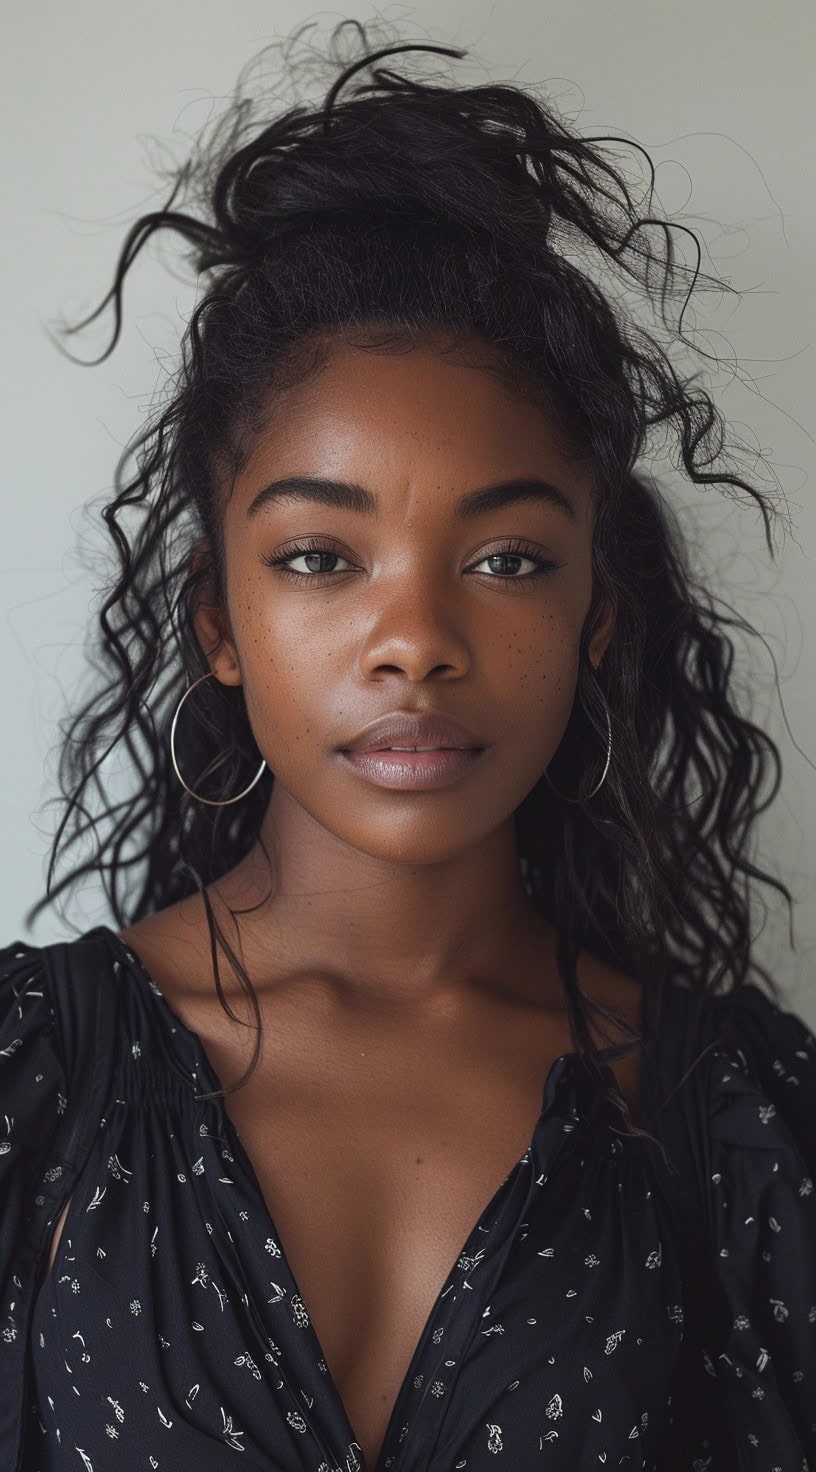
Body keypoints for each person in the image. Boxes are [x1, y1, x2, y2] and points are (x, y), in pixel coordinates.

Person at [1, 18, 815, 1471]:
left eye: (506, 560)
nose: (415, 639)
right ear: (219, 621)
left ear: (598, 621)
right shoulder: (33, 1077)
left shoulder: (744, 1121)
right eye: (323, 557)